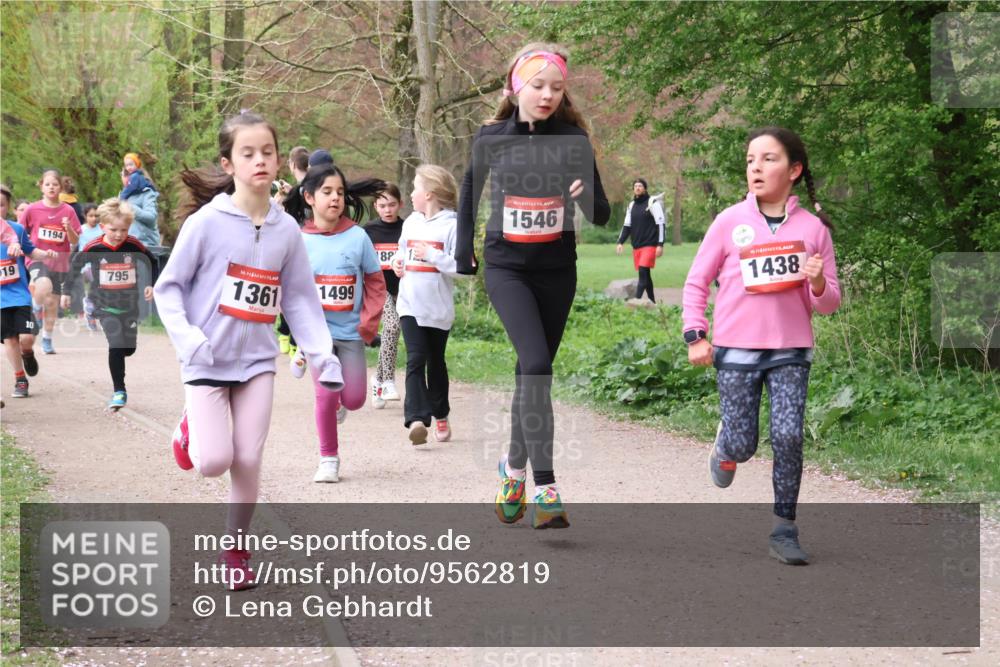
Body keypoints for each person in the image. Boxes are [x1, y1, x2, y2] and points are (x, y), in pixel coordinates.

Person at [154, 111, 344, 590]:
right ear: (229, 163)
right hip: (205, 359)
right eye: (248, 153)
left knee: (248, 458)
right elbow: (168, 288)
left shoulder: (285, 230)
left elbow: (300, 297)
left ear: (279, 159)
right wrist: (187, 338)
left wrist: (322, 354)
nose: (260, 160)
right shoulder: (206, 223)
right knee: (212, 461)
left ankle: (236, 550)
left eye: (267, 152)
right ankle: (189, 426)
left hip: (258, 362)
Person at [455, 43, 611, 529]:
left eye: (556, 88)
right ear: (514, 86)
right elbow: (467, 191)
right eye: (537, 85)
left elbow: (602, 215)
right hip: (507, 268)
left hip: (557, 269)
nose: (546, 95)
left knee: (531, 373)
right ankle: (546, 486)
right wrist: (464, 249)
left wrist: (585, 197)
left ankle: (512, 469)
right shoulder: (490, 138)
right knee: (537, 364)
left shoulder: (573, 141)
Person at [682, 126, 841, 566]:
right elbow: (696, 282)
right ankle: (726, 447)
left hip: (791, 350)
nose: (756, 166)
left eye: (768, 159)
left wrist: (817, 281)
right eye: (751, 158)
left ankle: (784, 529)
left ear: (794, 170)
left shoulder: (813, 229)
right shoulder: (730, 222)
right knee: (744, 444)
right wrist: (696, 334)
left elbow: (827, 305)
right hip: (734, 351)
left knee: (788, 436)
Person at [293, 163, 386, 482]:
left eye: (340, 193)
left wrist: (368, 321)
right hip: (318, 337)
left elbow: (375, 282)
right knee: (325, 393)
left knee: (355, 398)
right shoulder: (299, 240)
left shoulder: (357, 237)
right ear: (309, 197)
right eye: (327, 192)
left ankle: (341, 405)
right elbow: (291, 289)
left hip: (350, 332)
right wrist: (298, 330)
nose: (335, 198)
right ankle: (328, 458)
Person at [391, 165, 463, 446]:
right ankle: (418, 420)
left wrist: (433, 255)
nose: (410, 194)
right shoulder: (411, 223)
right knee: (415, 358)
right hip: (409, 304)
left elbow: (461, 268)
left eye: (415, 189)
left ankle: (441, 412)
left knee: (435, 362)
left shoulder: (453, 226)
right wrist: (398, 261)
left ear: (429, 194)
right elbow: (401, 250)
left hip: (438, 308)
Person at [63, 198, 159, 409]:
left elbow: (152, 261)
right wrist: (67, 292)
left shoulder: (133, 244)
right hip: (105, 306)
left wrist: (152, 284)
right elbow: (75, 265)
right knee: (116, 346)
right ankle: (119, 391)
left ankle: (121, 358)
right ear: (102, 226)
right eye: (114, 229)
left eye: (124, 230)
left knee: (128, 349)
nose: (119, 234)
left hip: (130, 305)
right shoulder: (94, 247)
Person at [1, 185, 57, 398]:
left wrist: (46, 254)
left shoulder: (16, 230)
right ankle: (20, 379)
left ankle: (28, 353)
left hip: (19, 294)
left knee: (25, 338)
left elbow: (31, 251)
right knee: (10, 339)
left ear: (8, 207)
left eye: (1, 205)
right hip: (0, 299)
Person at [20, 169, 82, 354]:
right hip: (38, 257)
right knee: (43, 285)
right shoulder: (32, 209)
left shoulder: (68, 210)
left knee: (53, 303)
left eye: (55, 184)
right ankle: (35, 308)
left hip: (60, 262)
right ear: (41, 187)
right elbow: (21, 231)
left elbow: (75, 240)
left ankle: (47, 339)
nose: (51, 187)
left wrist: (69, 228)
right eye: (47, 184)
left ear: (61, 188)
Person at [364, 184, 404, 408]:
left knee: (393, 333)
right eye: (382, 205)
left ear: (400, 204)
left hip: (405, 289)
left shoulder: (409, 228)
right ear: (375, 207)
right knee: (391, 327)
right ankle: (388, 380)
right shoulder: (369, 231)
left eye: (392, 204)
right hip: (379, 289)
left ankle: (377, 380)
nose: (387, 209)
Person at [616, 178, 666, 303]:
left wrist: (660, 244)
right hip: (637, 246)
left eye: (640, 186)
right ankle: (652, 302)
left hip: (650, 245)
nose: (637, 188)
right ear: (633, 189)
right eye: (635, 186)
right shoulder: (631, 205)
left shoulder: (652, 203)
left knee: (643, 274)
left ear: (645, 188)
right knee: (646, 276)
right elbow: (627, 225)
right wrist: (620, 242)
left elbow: (661, 224)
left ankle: (635, 301)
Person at [119, 152, 161, 248]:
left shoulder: (147, 193)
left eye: (128, 175)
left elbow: (151, 218)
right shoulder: (123, 195)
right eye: (124, 174)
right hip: (126, 246)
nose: (126, 177)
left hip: (145, 245)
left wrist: (129, 207)